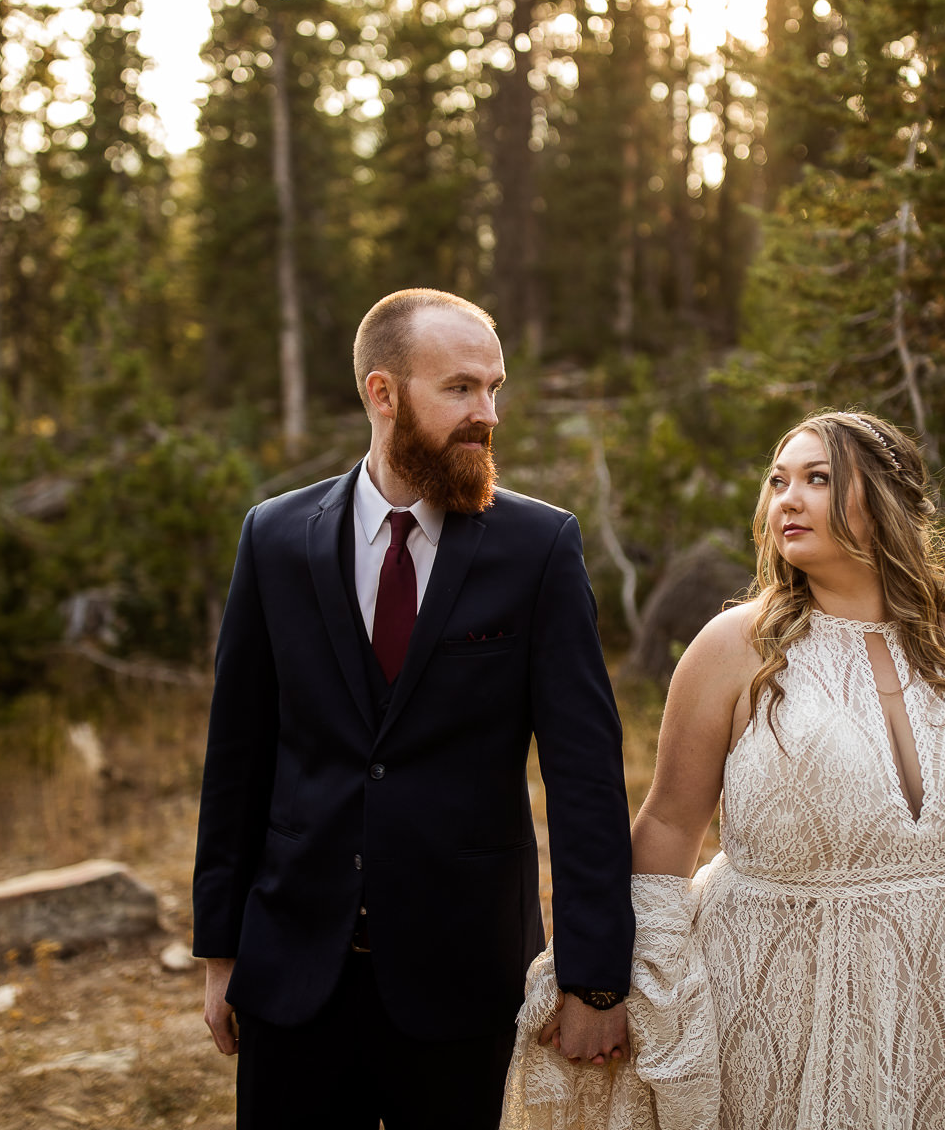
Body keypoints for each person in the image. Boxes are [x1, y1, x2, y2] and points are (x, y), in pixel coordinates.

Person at [505, 410, 945, 1129]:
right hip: (783, 1002)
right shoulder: (734, 647)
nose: (788, 498)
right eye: (779, 481)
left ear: (887, 502)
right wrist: (635, 984)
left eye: (818, 479)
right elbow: (667, 823)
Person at [194, 289, 635, 1130]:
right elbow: (237, 758)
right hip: (293, 970)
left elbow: (585, 777)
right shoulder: (275, 538)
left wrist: (595, 978)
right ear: (382, 393)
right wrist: (221, 953)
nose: (487, 414)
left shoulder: (538, 548)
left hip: (466, 977)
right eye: (461, 389)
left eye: (495, 389)